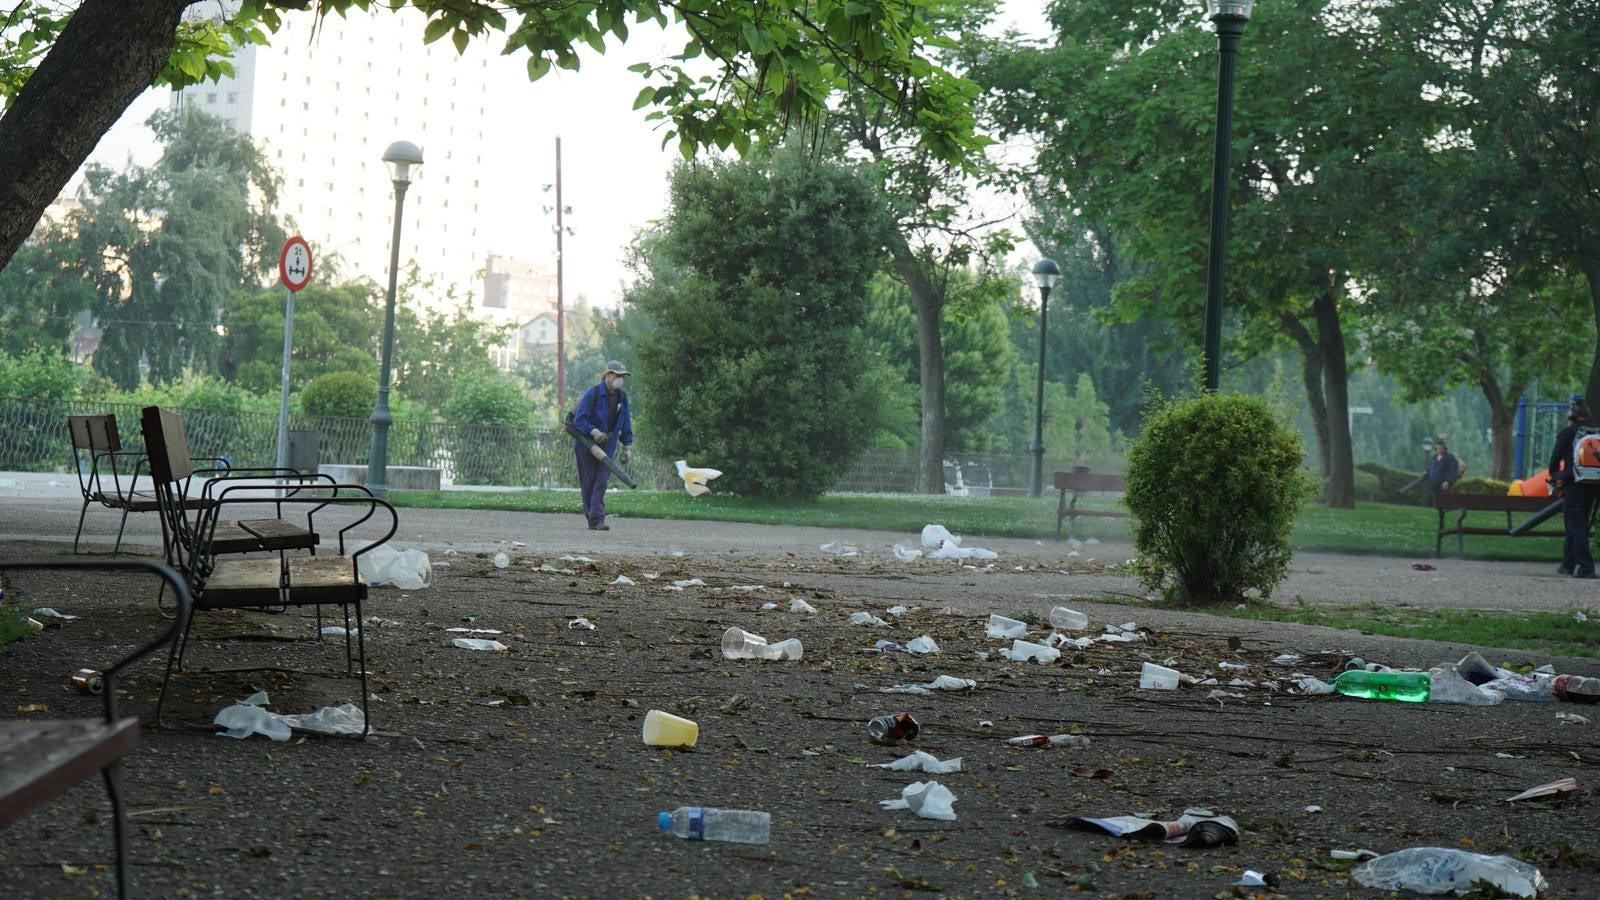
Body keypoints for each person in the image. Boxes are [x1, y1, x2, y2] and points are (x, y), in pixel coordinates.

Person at [572, 361, 633, 531]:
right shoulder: (593, 393)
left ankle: (597, 519)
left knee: (601, 482)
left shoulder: (622, 398)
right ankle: (593, 519)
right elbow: (579, 419)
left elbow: (625, 422)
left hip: (607, 447)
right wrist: (594, 432)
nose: (620, 379)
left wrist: (627, 446)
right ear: (608, 375)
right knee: (589, 483)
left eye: (622, 376)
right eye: (617, 375)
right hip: (586, 446)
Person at [1548, 398, 1598, 578]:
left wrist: (1555, 477)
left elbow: (1554, 461)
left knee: (1576, 527)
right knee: (1575, 524)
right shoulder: (1594, 434)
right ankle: (1567, 564)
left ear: (1572, 415)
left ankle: (1586, 567)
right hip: (1593, 485)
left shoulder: (1568, 433)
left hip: (1573, 485)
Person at [1422, 439, 1467, 506]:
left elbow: (1452, 470)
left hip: (1443, 483)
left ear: (1444, 448)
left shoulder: (1450, 457)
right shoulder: (1434, 457)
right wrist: (1426, 472)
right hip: (1433, 483)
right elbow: (1430, 467)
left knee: (1442, 501)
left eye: (1441, 448)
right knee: (1429, 500)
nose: (1439, 450)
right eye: (1437, 448)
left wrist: (1447, 481)